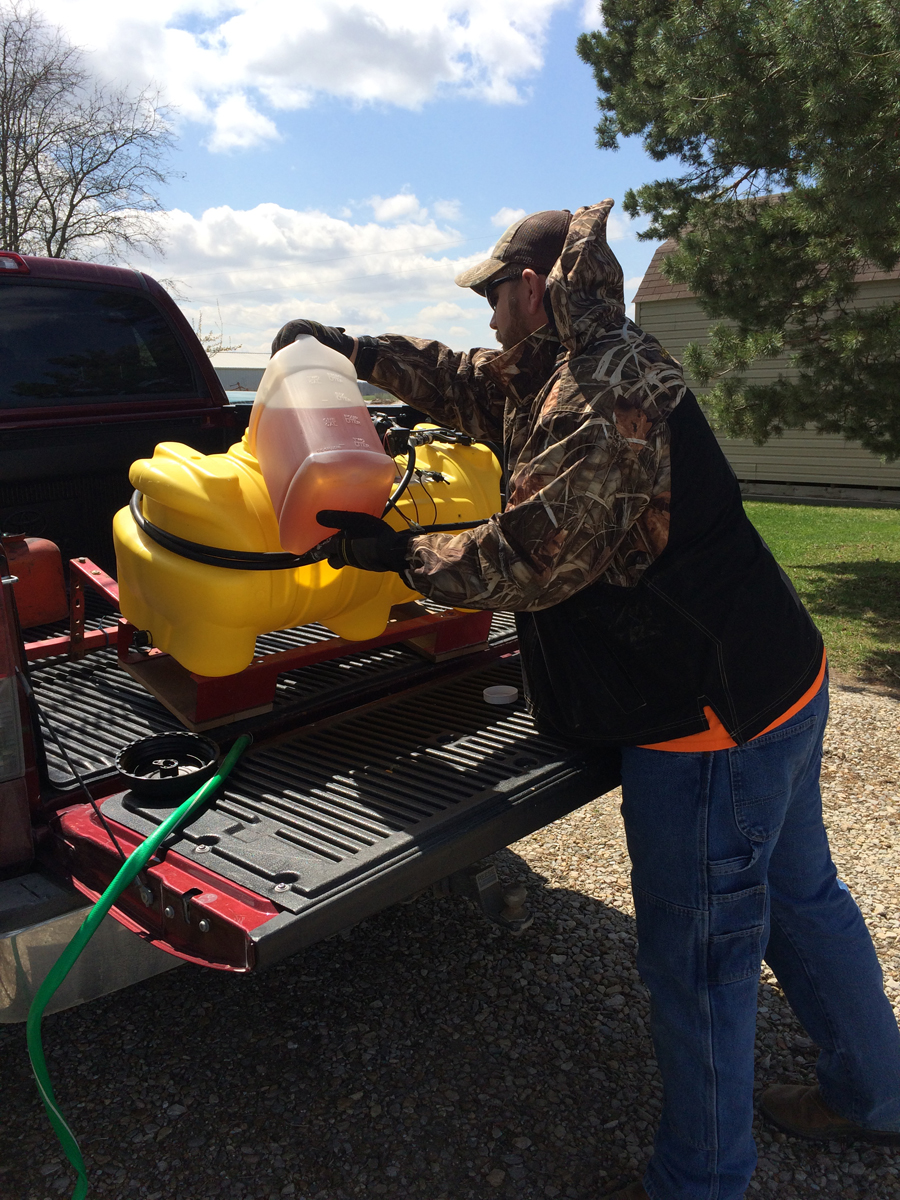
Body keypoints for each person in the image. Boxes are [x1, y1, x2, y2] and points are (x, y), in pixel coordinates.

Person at [271, 203, 900, 1200]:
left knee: (699, 962)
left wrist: (398, 552)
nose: (483, 314)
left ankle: (700, 1182)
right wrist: (351, 349)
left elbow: (528, 560)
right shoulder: (561, 366)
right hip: (775, 678)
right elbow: (470, 385)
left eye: (490, 292)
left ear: (536, 288)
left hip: (710, 722)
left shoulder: (607, 396)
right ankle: (874, 1099)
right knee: (798, 899)